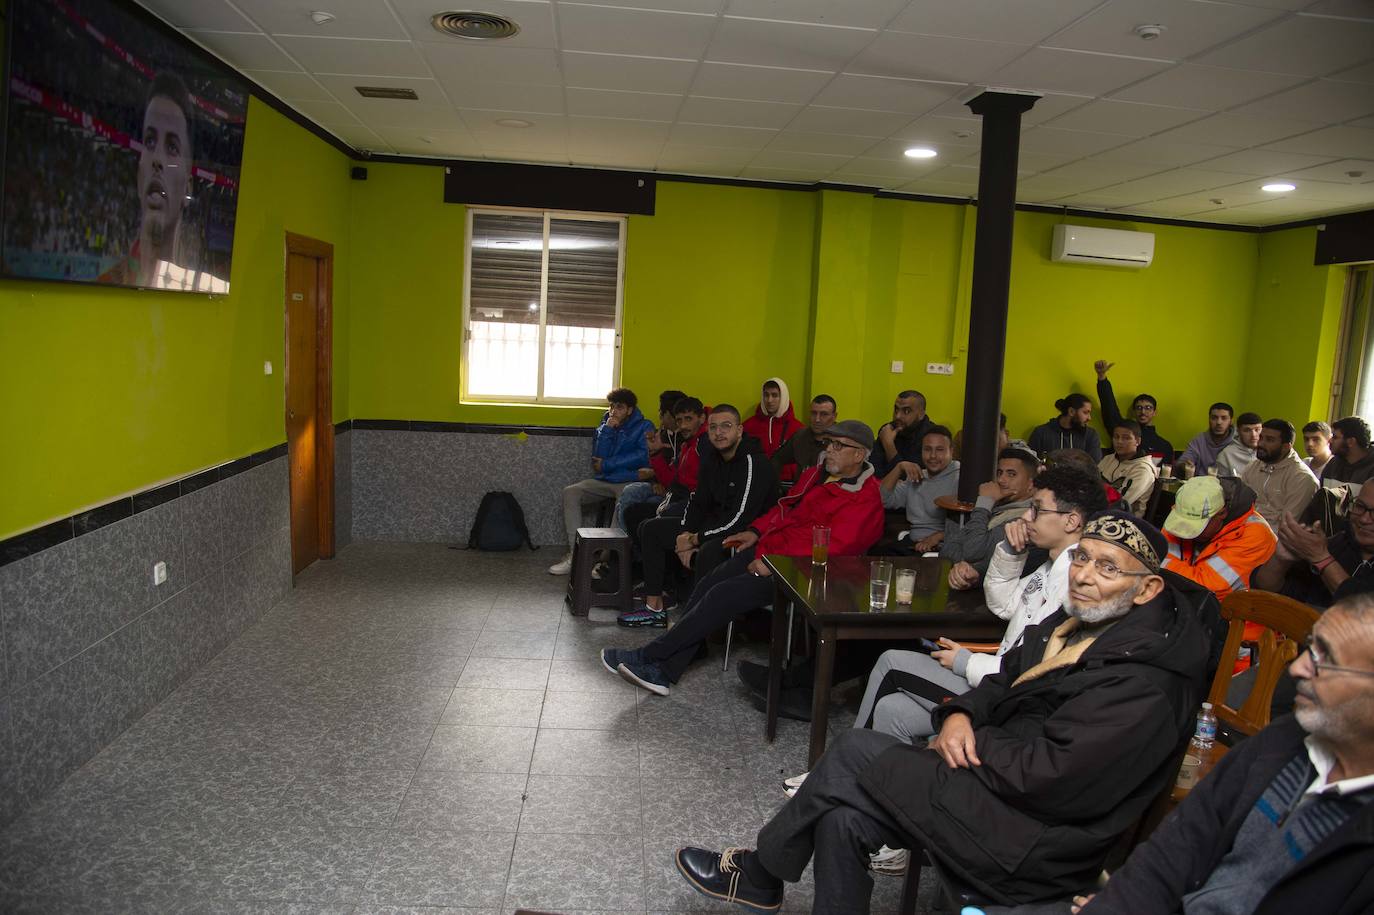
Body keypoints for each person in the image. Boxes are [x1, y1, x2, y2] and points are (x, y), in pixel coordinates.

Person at [673, 513, 1211, 913]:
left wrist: (965, 746)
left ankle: (762, 873)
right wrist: (959, 715)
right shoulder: (1074, 625)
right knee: (841, 818)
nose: (1085, 575)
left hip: (1038, 838)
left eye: (1108, 568)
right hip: (999, 790)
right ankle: (764, 878)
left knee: (859, 751)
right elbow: (1001, 681)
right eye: (1083, 558)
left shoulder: (1146, 680)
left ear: (1148, 589)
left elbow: (1055, 777)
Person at [1064, 594, 1374, 915]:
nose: (1297, 668)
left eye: (1326, 658)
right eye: (1311, 647)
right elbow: (1177, 847)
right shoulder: (1283, 740)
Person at [602, 420, 884, 696]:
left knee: (722, 595)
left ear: (859, 454)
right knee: (709, 582)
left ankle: (648, 656)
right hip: (771, 549)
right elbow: (784, 511)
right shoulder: (818, 475)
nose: (829, 449)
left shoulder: (865, 500)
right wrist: (754, 531)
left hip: (799, 571)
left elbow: (833, 549)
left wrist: (773, 563)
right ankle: (664, 668)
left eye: (838, 445)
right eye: (829, 443)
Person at [856, 465, 1106, 742]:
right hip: (997, 677)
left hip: (1013, 696)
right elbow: (1005, 605)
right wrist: (1011, 551)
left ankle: (843, 773)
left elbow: (1040, 670)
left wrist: (967, 662)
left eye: (1037, 509)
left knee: (891, 661)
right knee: (893, 711)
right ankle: (886, 781)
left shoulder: (1078, 582)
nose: (1026, 516)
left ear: (1071, 522)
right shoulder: (1051, 566)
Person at [619, 405, 776, 628]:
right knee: (650, 528)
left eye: (726, 426)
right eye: (713, 427)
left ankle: (696, 628)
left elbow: (739, 519)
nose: (719, 432)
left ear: (739, 430)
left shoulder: (753, 462)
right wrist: (685, 534)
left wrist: (695, 539)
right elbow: (697, 501)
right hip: (716, 525)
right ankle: (654, 608)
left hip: (746, 534)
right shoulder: (712, 457)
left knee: (708, 551)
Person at [99, 72, 195, 288]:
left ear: (187, 188)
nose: (158, 160)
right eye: (150, 141)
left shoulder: (191, 291)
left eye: (172, 147)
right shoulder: (105, 284)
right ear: (138, 175)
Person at [549, 388, 654, 575]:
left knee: (625, 497)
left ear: (630, 410)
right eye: (611, 406)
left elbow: (642, 457)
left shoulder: (645, 426)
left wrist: (607, 465)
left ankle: (606, 559)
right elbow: (597, 458)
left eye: (619, 407)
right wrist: (607, 431)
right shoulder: (605, 423)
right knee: (571, 492)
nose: (613, 411)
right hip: (606, 479)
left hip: (628, 481)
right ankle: (576, 555)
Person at [1162, 475, 1277, 602]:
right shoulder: (1188, 508)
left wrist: (1159, 568)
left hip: (1235, 617)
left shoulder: (1256, 535)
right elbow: (1156, 556)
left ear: (1222, 513)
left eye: (1195, 527)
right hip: (1184, 605)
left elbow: (1206, 590)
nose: (1184, 532)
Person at [944, 447, 1041, 590]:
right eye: (999, 473)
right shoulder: (999, 507)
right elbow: (948, 547)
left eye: (1011, 474)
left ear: (1031, 484)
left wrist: (983, 502)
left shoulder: (1022, 519)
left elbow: (972, 551)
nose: (1001, 480)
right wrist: (964, 563)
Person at [1277, 483, 1374, 607]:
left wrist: (1322, 559)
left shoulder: (1321, 552)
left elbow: (1363, 608)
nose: (1364, 519)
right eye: (1360, 506)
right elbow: (1270, 590)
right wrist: (1280, 560)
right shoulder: (1339, 543)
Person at [612, 389, 690, 533]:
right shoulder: (663, 434)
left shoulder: (687, 437)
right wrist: (655, 482)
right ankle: (623, 546)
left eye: (662, 411)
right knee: (630, 492)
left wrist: (656, 455)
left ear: (669, 414)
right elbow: (654, 467)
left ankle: (628, 547)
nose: (659, 415)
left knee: (642, 505)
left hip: (677, 493)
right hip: (660, 485)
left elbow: (678, 476)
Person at [878, 426, 959, 554]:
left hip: (942, 547)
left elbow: (969, 526)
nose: (933, 456)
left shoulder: (962, 478)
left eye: (939, 450)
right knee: (877, 555)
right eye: (927, 449)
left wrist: (937, 537)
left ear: (951, 451)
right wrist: (899, 467)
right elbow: (882, 500)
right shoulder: (917, 476)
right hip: (913, 542)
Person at [1241, 418, 1320, 528]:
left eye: (1270, 440)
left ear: (1285, 447)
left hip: (1275, 540)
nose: (1261, 444)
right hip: (1243, 531)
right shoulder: (1253, 467)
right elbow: (1239, 506)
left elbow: (1286, 527)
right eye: (1261, 437)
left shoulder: (1302, 479)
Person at [1093, 359, 1174, 461]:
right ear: (1133, 411)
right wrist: (1102, 377)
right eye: (1139, 408)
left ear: (1155, 412)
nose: (1143, 412)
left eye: (1148, 408)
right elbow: (1109, 406)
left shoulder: (1164, 446)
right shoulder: (1122, 431)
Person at [770, 394, 836, 484]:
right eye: (813, 413)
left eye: (824, 414)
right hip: (799, 494)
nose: (817, 419)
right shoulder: (800, 436)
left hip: (827, 495)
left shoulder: (842, 442)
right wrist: (775, 488)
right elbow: (777, 459)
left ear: (834, 416)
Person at [1097, 419, 1158, 516]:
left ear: (1137, 441)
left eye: (1126, 438)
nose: (1119, 441)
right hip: (1097, 510)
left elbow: (1120, 503)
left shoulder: (1143, 470)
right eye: (1116, 437)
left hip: (1125, 520)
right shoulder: (1108, 459)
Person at [870, 390, 934, 478]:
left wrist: (889, 446)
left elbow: (911, 481)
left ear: (921, 414)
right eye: (896, 410)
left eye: (906, 411)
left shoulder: (931, 437)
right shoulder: (888, 430)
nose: (898, 416)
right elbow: (875, 472)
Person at [742, 377, 803, 463]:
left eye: (775, 395)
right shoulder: (748, 426)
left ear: (783, 397)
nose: (769, 400)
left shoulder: (798, 429)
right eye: (766, 395)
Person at [1028, 393, 1102, 461]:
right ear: (1071, 411)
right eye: (1085, 412)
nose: (1089, 418)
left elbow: (1093, 466)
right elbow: (1031, 463)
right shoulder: (1041, 433)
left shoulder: (1091, 435)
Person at [1177, 402, 1237, 477]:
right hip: (1200, 484)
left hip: (1228, 486)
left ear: (1231, 421)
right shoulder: (1199, 440)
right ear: (1209, 419)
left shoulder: (1238, 441)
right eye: (1214, 418)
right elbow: (1182, 462)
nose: (1218, 422)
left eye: (1224, 418)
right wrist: (1185, 465)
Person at [1322, 416, 1374, 485]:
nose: (1330, 441)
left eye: (1335, 437)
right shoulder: (1333, 464)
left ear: (1351, 442)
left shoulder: (1371, 469)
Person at [1216, 411, 1263, 477]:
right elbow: (1222, 483)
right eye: (1247, 430)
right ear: (1238, 431)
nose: (1253, 435)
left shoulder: (1269, 451)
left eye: (1257, 430)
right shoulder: (1226, 455)